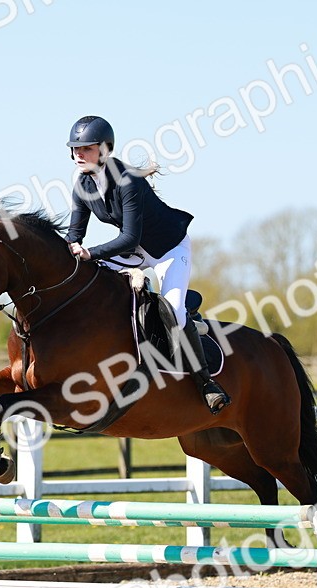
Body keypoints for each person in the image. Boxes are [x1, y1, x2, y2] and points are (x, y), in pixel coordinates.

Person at [63, 115, 230, 414]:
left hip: (168, 250)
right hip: (136, 251)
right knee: (91, 281)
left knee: (174, 312)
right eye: (75, 149)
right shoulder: (82, 184)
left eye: (86, 148)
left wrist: (90, 253)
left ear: (104, 149)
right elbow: (75, 234)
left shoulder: (128, 181)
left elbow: (128, 238)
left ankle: (206, 382)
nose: (79, 154)